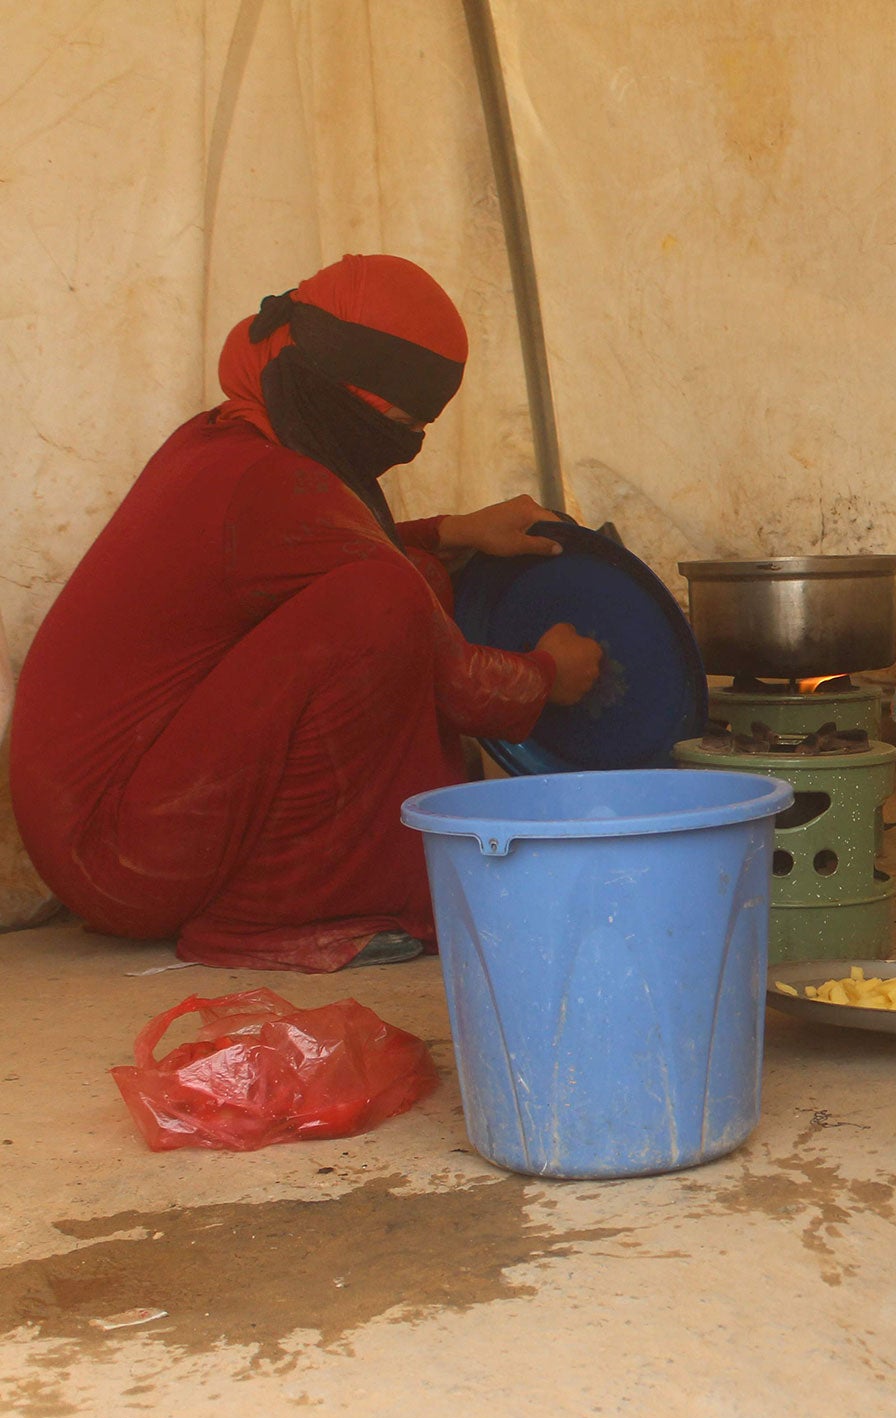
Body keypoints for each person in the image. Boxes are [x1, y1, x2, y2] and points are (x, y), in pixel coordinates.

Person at [9, 254, 602, 973]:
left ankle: (304, 889)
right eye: (397, 421)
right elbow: (458, 680)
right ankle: (268, 918)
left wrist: (453, 531)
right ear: (344, 388)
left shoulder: (226, 438)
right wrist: (550, 673)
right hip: (120, 858)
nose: (405, 444)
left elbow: (329, 551)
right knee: (383, 604)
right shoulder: (268, 482)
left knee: (405, 579)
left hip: (107, 831)